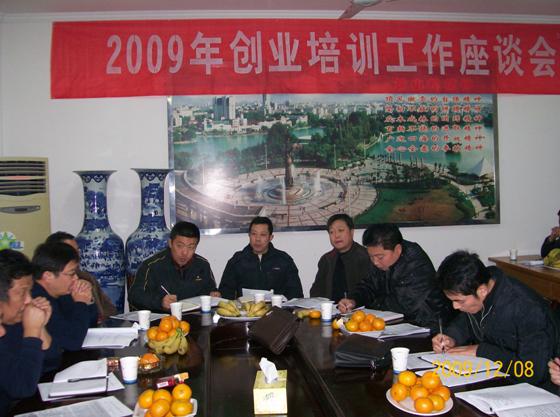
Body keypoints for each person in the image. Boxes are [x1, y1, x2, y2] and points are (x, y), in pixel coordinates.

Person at [432, 251, 559, 385]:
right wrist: (451, 337)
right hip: (495, 375)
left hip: (536, 387)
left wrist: (483, 351)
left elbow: (533, 372)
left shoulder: (526, 308)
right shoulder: (481, 286)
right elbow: (467, 320)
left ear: (482, 291)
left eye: (459, 301)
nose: (455, 306)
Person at [337, 223, 452, 331]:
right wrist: (354, 300)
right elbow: (369, 284)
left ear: (398, 249)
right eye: (371, 257)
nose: (375, 262)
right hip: (398, 325)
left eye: (380, 257)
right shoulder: (380, 261)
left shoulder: (416, 263)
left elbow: (403, 304)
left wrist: (369, 307)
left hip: (428, 327)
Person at [0, 250, 52, 416]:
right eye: (22, 292)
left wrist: (40, 328)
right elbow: (22, 387)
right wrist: (32, 331)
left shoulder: (14, 322)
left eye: (30, 291)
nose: (29, 300)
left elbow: (50, 364)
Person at [32, 242, 98, 372]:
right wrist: (81, 303)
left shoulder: (60, 291)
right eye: (71, 273)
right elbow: (72, 341)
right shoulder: (39, 301)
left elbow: (89, 323)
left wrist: (88, 300)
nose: (76, 278)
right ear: (48, 276)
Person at [128, 221, 219, 313]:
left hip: (195, 318)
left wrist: (214, 294)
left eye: (191, 247)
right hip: (164, 319)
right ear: (170, 243)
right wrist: (160, 302)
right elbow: (134, 297)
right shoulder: (151, 266)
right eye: (179, 246)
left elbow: (211, 290)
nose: (185, 253)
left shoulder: (202, 265)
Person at [219, 216, 304, 300]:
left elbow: (296, 294)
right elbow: (225, 293)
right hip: (245, 308)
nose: (257, 239)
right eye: (254, 234)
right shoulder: (237, 261)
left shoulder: (284, 260)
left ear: (270, 237)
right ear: (249, 235)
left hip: (278, 308)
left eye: (263, 235)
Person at [45, 231, 117, 322]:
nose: (77, 255)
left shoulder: (86, 277)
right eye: (71, 251)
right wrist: (80, 301)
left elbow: (111, 310)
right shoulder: (56, 284)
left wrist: (91, 300)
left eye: (77, 250)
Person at [310, 214, 371, 302]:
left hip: (357, 308)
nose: (336, 235)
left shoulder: (366, 257)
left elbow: (369, 291)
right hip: (330, 309)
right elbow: (316, 291)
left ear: (352, 232)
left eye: (340, 230)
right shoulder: (326, 259)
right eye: (331, 232)